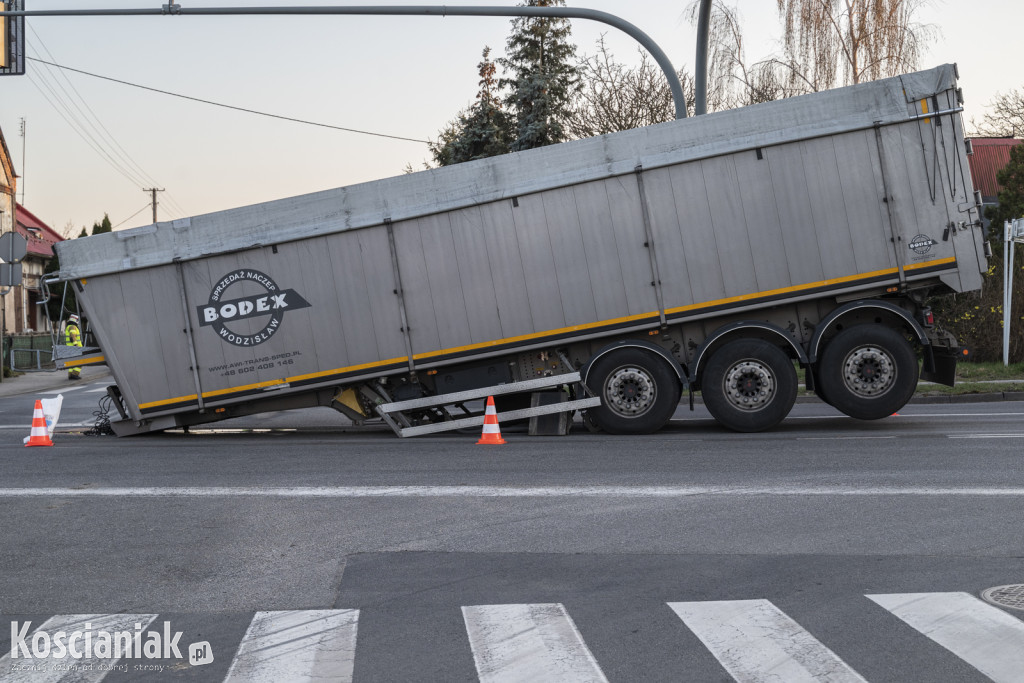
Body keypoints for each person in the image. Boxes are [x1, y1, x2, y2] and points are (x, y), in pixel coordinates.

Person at [65, 314, 82, 380]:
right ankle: (75, 374)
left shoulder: (69, 326)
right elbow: (73, 336)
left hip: (70, 348)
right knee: (80, 361)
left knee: (72, 361)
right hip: (74, 348)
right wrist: (76, 345)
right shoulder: (72, 327)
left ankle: (70, 375)